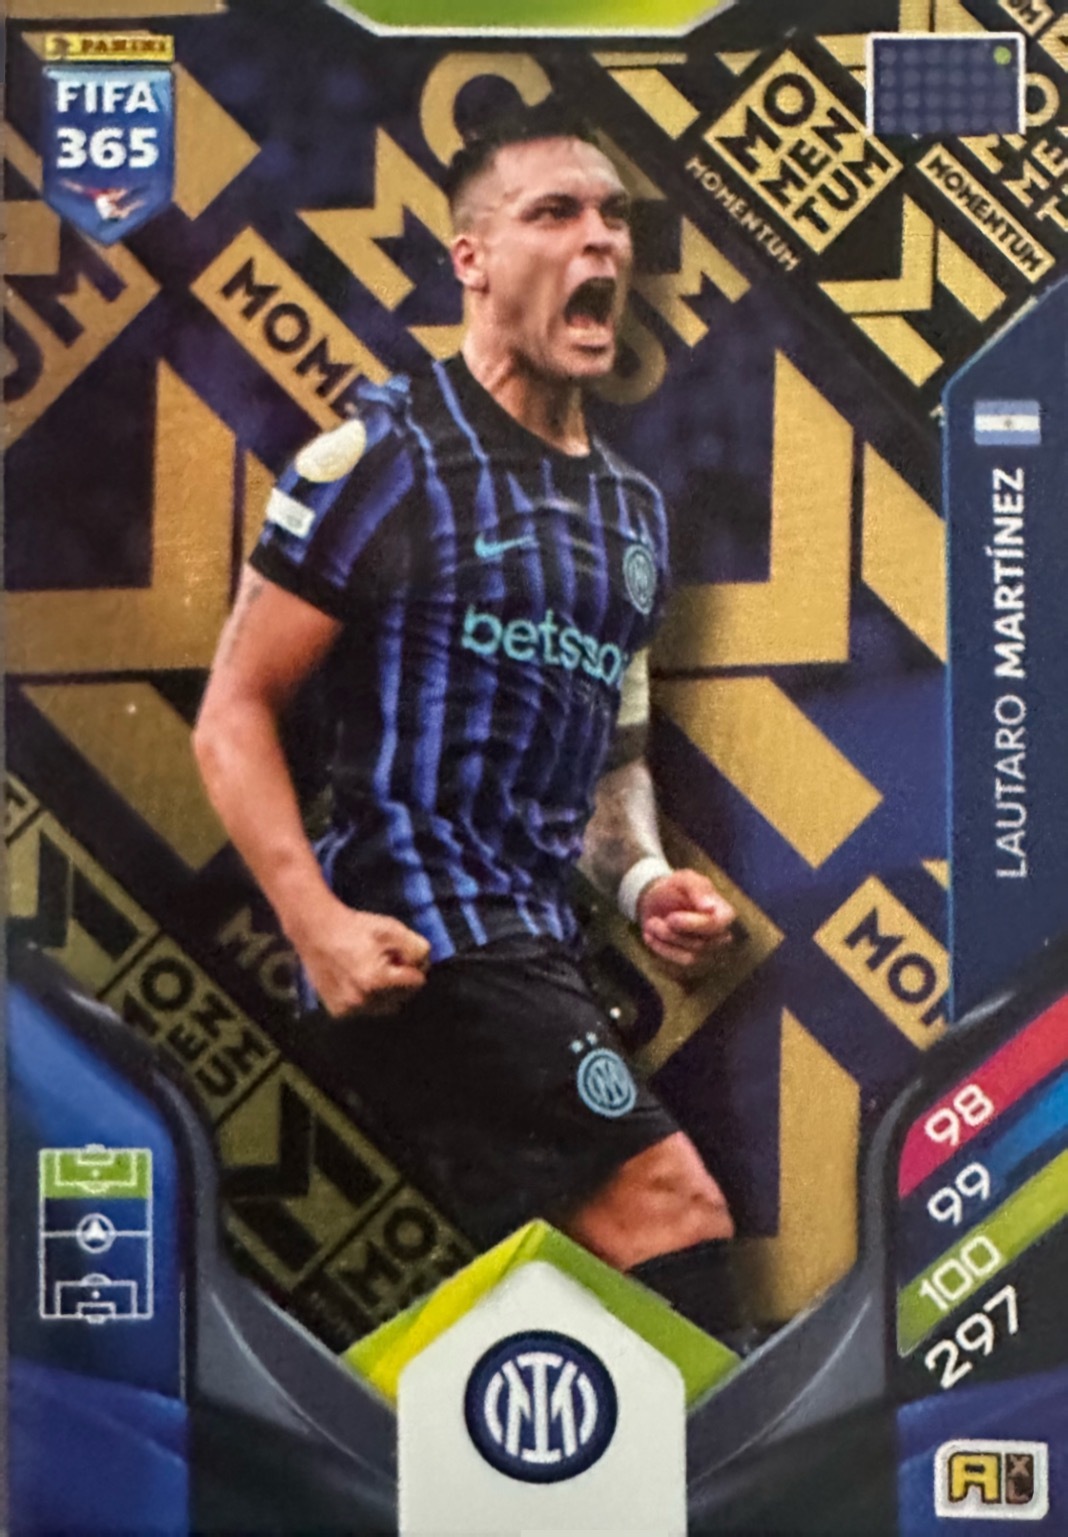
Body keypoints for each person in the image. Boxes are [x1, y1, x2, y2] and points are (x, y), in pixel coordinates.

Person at [194, 101, 748, 1342]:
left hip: (541, 948)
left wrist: (645, 882)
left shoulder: (634, 515)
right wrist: (317, 926)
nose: (600, 240)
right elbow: (234, 712)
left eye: (615, 217)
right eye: (555, 212)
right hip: (419, 932)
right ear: (473, 258)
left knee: (568, 1290)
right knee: (672, 1209)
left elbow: (611, 763)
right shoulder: (384, 457)